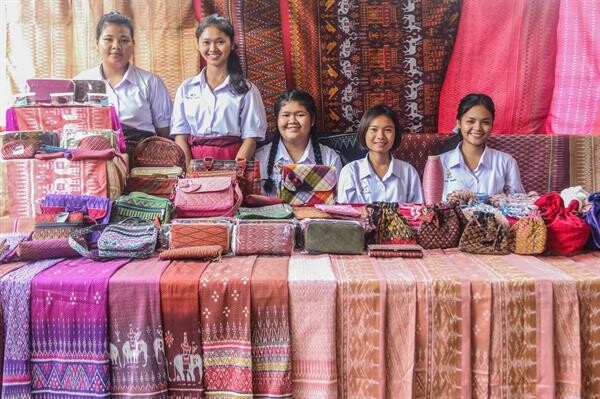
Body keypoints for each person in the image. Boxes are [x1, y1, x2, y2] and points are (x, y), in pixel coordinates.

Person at [170, 14, 267, 164]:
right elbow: (180, 136)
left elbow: (250, 138)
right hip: (194, 165)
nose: (213, 48)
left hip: (233, 162)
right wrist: (190, 171)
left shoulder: (246, 90)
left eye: (220, 42)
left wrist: (235, 171)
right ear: (197, 44)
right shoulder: (186, 89)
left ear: (232, 43)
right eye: (206, 42)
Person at [75, 11, 172, 140]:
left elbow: (165, 133)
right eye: (108, 39)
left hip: (141, 155)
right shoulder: (80, 83)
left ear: (133, 45)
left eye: (124, 40)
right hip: (94, 155)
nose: (116, 46)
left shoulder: (151, 83)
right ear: (97, 43)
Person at [255, 90, 342, 196]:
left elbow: (338, 202)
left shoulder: (330, 158)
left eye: (300, 115)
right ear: (277, 120)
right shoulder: (260, 158)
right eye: (286, 115)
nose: (292, 121)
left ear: (313, 120)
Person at [438, 93, 525, 199]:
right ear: (459, 123)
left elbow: (519, 205)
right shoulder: (440, 163)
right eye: (471, 121)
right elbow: (431, 205)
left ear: (492, 125)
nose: (478, 128)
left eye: (485, 122)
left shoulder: (506, 162)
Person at [337, 105, 423, 203]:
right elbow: (345, 214)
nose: (380, 136)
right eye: (374, 129)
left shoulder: (408, 172)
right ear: (364, 132)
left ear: (396, 134)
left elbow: (418, 212)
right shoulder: (350, 172)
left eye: (387, 130)